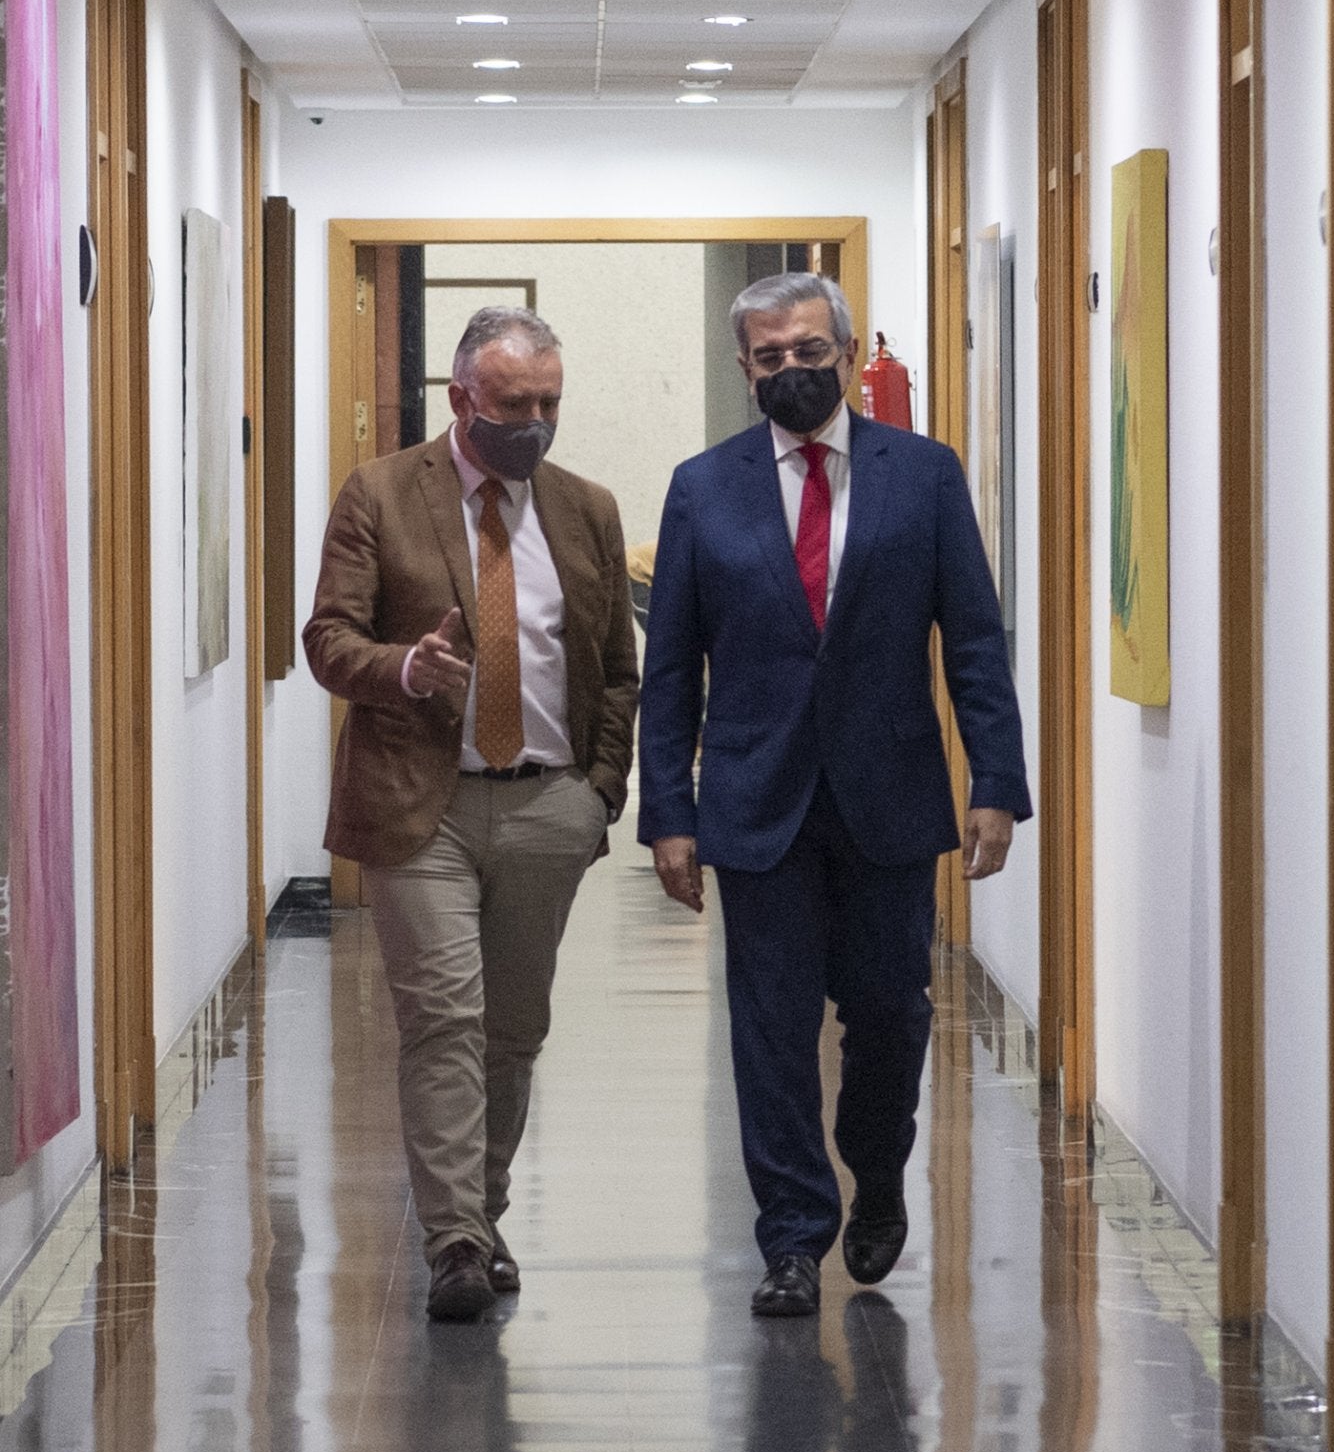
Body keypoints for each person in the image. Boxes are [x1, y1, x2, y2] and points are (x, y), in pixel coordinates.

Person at [638, 273, 1030, 1318]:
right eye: (768, 357)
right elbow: (670, 664)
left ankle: (878, 1167)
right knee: (767, 1028)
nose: (790, 371)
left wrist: (994, 778)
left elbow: (974, 640)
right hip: (755, 797)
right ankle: (791, 1236)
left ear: (846, 352)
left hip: (889, 792)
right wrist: (666, 815)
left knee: (889, 1013)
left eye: (808, 350)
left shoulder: (925, 476)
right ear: (743, 368)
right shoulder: (701, 487)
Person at [305, 308, 638, 1322]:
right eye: (512, 405)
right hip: (422, 805)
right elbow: (326, 637)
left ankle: (480, 1213)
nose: (532, 424)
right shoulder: (380, 493)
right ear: (462, 399)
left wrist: (597, 793)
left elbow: (615, 670)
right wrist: (402, 666)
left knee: (513, 1028)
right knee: (442, 1016)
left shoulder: (584, 509)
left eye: (548, 404)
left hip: (546, 801)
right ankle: (453, 1238)